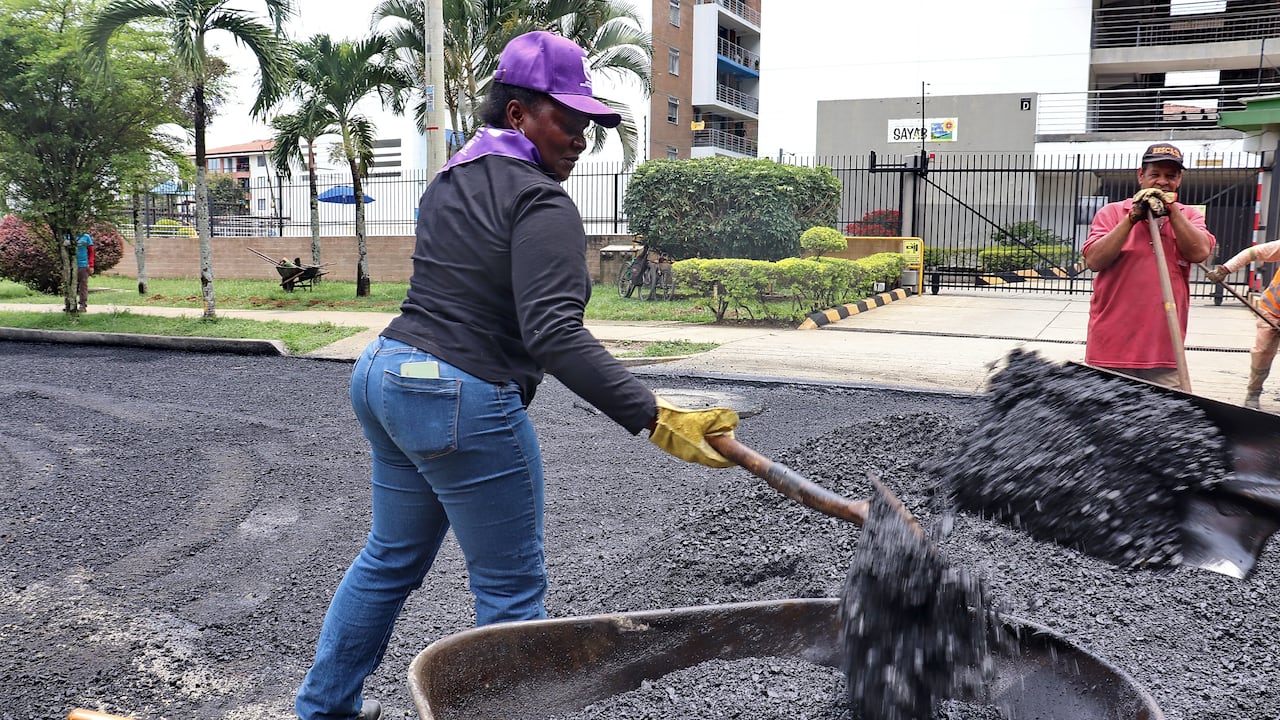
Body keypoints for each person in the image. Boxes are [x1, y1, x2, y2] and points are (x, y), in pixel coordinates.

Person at [293, 31, 738, 720]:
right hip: (459, 395)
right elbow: (554, 334)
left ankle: (324, 710)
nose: (581, 136)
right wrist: (653, 415)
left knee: (388, 560)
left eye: (588, 122)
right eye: (567, 118)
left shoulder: (451, 178)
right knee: (511, 593)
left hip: (386, 375)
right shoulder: (542, 202)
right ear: (518, 115)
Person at [1082, 143, 1215, 389]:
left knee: (1171, 421)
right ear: (1141, 175)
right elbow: (1094, 260)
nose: (1162, 182)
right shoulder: (1112, 213)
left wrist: (1172, 212)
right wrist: (1132, 218)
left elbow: (1200, 252)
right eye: (1155, 174)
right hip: (1111, 349)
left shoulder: (1189, 216)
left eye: (1170, 176)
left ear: (1180, 180)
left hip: (1165, 352)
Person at [1205, 241, 1280, 408]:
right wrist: (1225, 269)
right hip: (1273, 311)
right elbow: (1253, 253)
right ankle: (1254, 392)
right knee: (1263, 353)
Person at [75, 232, 94, 312]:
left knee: (83, 285)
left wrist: (91, 265)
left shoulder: (86, 237)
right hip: (71, 265)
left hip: (83, 265)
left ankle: (83, 304)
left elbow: (91, 252)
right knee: (69, 285)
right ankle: (70, 304)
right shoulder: (67, 236)